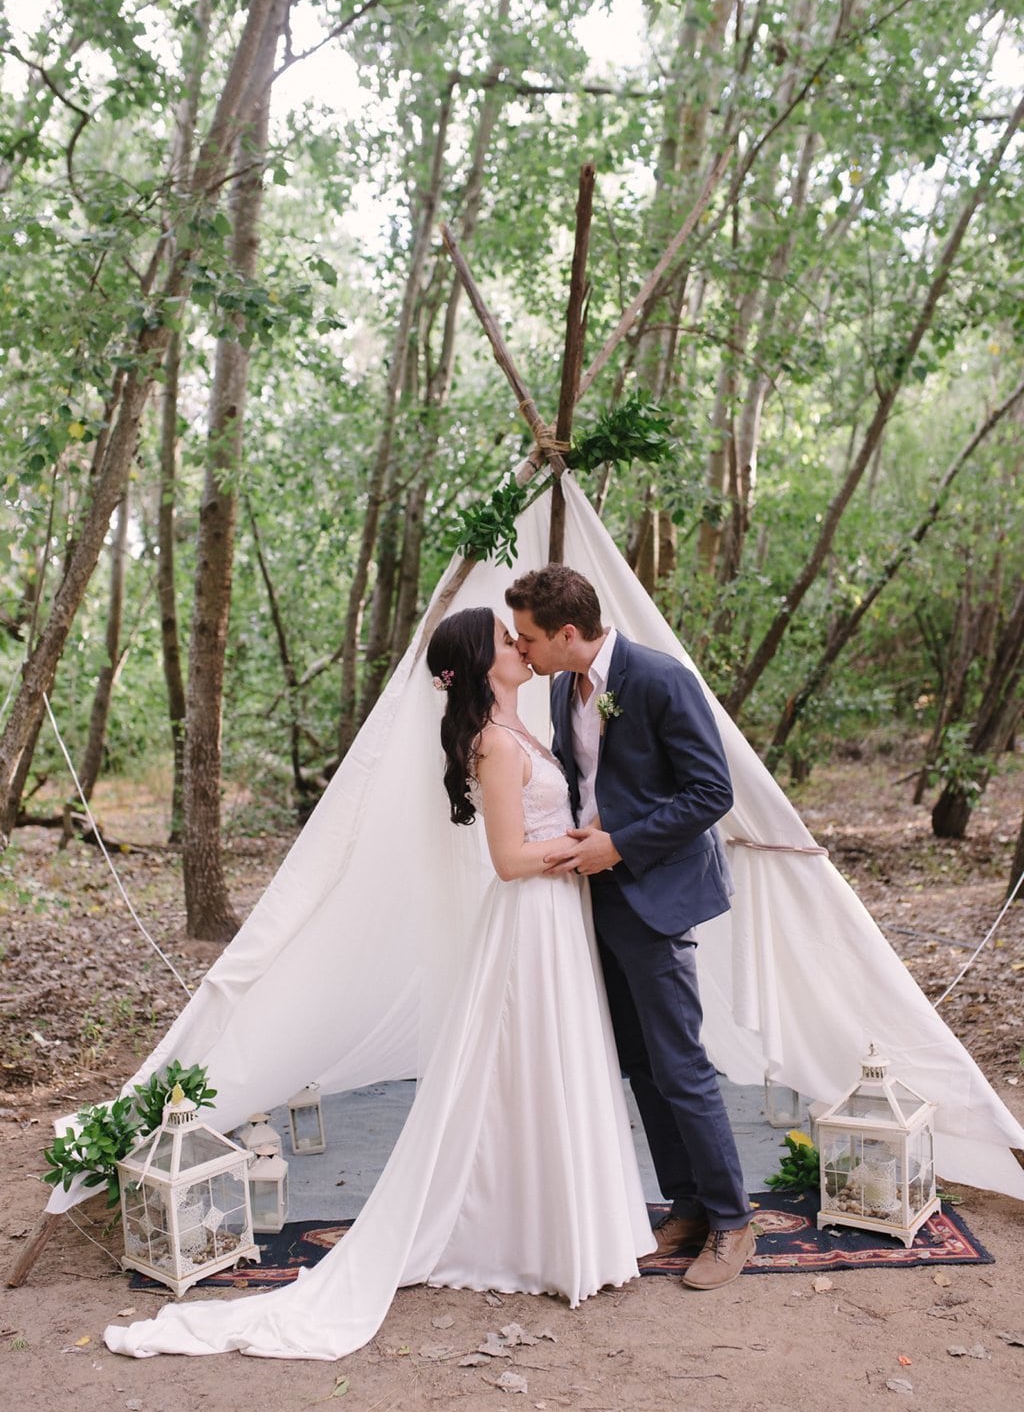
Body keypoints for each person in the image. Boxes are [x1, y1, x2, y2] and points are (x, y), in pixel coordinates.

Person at [104, 607, 654, 1362]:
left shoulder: (530, 729)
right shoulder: (494, 743)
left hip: (559, 918)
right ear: (480, 660)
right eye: (505, 639)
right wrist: (588, 847)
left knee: (560, 1064)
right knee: (528, 1065)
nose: (520, 647)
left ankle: (570, 1225)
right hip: (530, 919)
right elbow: (507, 858)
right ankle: (534, 1237)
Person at [506, 564, 755, 1290]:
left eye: (529, 637)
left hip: (656, 889)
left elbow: (712, 790)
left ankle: (735, 1222)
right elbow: (585, 785)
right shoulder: (560, 685)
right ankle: (689, 1204)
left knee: (681, 1062)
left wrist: (621, 843)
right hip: (598, 897)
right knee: (640, 1062)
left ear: (569, 634)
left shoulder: (658, 678)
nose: (523, 649)